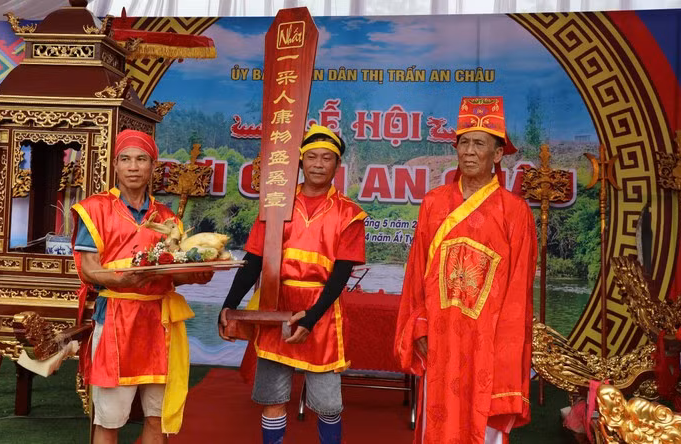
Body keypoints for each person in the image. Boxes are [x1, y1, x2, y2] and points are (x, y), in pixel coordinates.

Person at [395, 97, 537, 444]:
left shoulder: (514, 212)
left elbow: (518, 292)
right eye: (463, 142)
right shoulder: (434, 203)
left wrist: (504, 349)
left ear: (498, 153)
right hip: (442, 338)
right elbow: (417, 273)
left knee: (481, 425)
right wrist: (420, 325)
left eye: (479, 144)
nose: (469, 152)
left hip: (486, 341)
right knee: (438, 423)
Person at [218, 125, 367, 444]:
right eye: (311, 157)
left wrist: (311, 318)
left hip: (322, 316)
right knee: (273, 399)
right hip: (275, 308)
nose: (318, 163)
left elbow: (340, 275)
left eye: (326, 158)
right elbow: (254, 260)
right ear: (300, 162)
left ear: (337, 165)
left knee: (328, 404)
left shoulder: (349, 214)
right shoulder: (276, 206)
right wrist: (229, 304)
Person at [71, 129, 213, 444]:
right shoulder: (95, 209)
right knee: (109, 419)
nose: (133, 167)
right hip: (116, 321)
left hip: (160, 323)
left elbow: (173, 274)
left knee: (157, 416)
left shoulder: (167, 218)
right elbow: (88, 268)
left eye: (141, 160)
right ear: (116, 166)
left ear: (152, 167)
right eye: (126, 160)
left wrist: (198, 273)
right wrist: (120, 280)